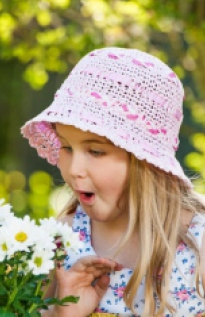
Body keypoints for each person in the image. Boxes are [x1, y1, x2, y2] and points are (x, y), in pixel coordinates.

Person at [21, 47, 205, 316]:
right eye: (66, 147)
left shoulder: (197, 244)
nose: (74, 169)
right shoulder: (62, 242)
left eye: (95, 151)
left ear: (146, 161)